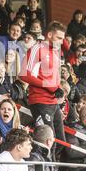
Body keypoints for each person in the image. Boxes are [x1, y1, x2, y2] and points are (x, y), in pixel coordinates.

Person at [20, 21, 66, 159]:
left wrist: (59, 89)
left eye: (63, 39)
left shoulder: (56, 52)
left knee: (61, 142)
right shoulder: (37, 48)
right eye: (59, 38)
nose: (62, 41)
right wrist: (48, 86)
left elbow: (53, 78)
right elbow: (23, 73)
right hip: (40, 101)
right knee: (46, 142)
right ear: (50, 35)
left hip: (53, 102)